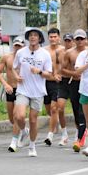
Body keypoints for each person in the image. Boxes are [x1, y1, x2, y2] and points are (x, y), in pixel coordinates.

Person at [13, 28, 53, 157]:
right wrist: (16, 76)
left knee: (33, 120)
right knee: (19, 116)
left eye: (35, 35)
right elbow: (13, 68)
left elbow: (49, 74)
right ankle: (24, 131)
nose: (33, 37)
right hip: (23, 89)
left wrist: (39, 72)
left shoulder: (45, 54)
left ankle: (32, 146)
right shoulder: (20, 52)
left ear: (40, 38)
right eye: (30, 35)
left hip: (38, 92)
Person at [60, 29, 88, 151]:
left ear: (85, 39)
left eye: (82, 39)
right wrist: (74, 73)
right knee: (77, 110)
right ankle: (80, 132)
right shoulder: (69, 53)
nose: (80, 41)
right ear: (74, 40)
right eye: (77, 39)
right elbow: (62, 70)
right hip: (74, 83)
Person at [0, 35, 25, 152]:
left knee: (16, 115)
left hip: (22, 90)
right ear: (13, 46)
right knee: (11, 118)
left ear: (23, 46)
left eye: (20, 46)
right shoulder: (6, 57)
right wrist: (5, 84)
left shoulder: (26, 58)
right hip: (10, 89)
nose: (17, 48)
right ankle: (24, 130)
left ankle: (14, 141)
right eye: (16, 46)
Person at [43, 27, 63, 146]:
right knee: (48, 109)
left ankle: (50, 135)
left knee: (54, 108)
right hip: (45, 82)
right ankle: (56, 122)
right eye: (51, 37)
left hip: (58, 83)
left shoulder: (63, 50)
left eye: (55, 36)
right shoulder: (44, 50)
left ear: (59, 37)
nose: (53, 39)